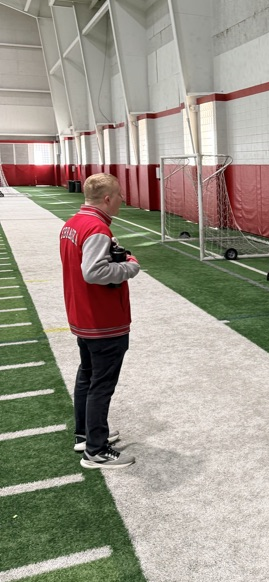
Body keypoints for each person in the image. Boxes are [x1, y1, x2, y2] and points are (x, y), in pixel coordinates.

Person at [60, 173, 140, 469]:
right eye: (118, 194)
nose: (122, 199)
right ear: (107, 198)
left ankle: (86, 433)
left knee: (88, 376)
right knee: (101, 384)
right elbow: (93, 273)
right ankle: (96, 449)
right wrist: (128, 267)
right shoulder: (96, 228)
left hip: (83, 315)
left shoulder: (72, 224)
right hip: (102, 320)